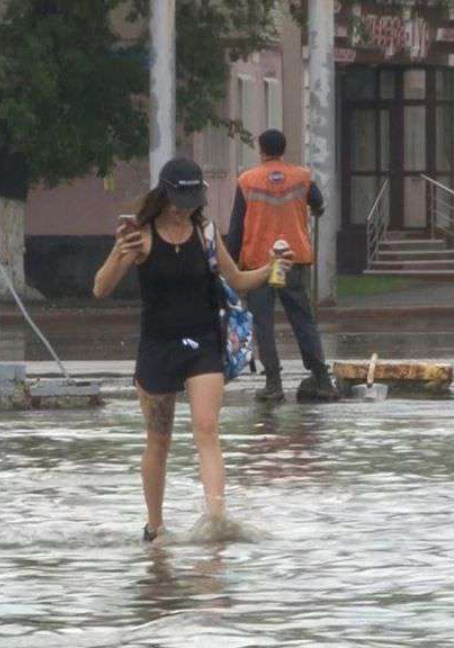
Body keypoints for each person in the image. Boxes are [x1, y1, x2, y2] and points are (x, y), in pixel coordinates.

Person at [93, 157, 292, 542]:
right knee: (159, 439)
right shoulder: (143, 237)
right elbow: (100, 288)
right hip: (158, 347)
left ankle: (216, 518)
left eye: (193, 198)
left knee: (207, 429)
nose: (187, 207)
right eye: (180, 199)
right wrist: (120, 252)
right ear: (164, 196)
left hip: (203, 342)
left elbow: (237, 279)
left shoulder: (206, 232)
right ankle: (155, 526)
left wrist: (271, 268)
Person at [227, 129, 339, 403]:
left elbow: (236, 228)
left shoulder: (247, 181)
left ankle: (273, 383)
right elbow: (319, 203)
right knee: (303, 320)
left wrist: (230, 266)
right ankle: (322, 380)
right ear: (283, 148)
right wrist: (317, 209)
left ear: (261, 149)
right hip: (294, 260)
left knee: (262, 323)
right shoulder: (301, 177)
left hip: (259, 264)